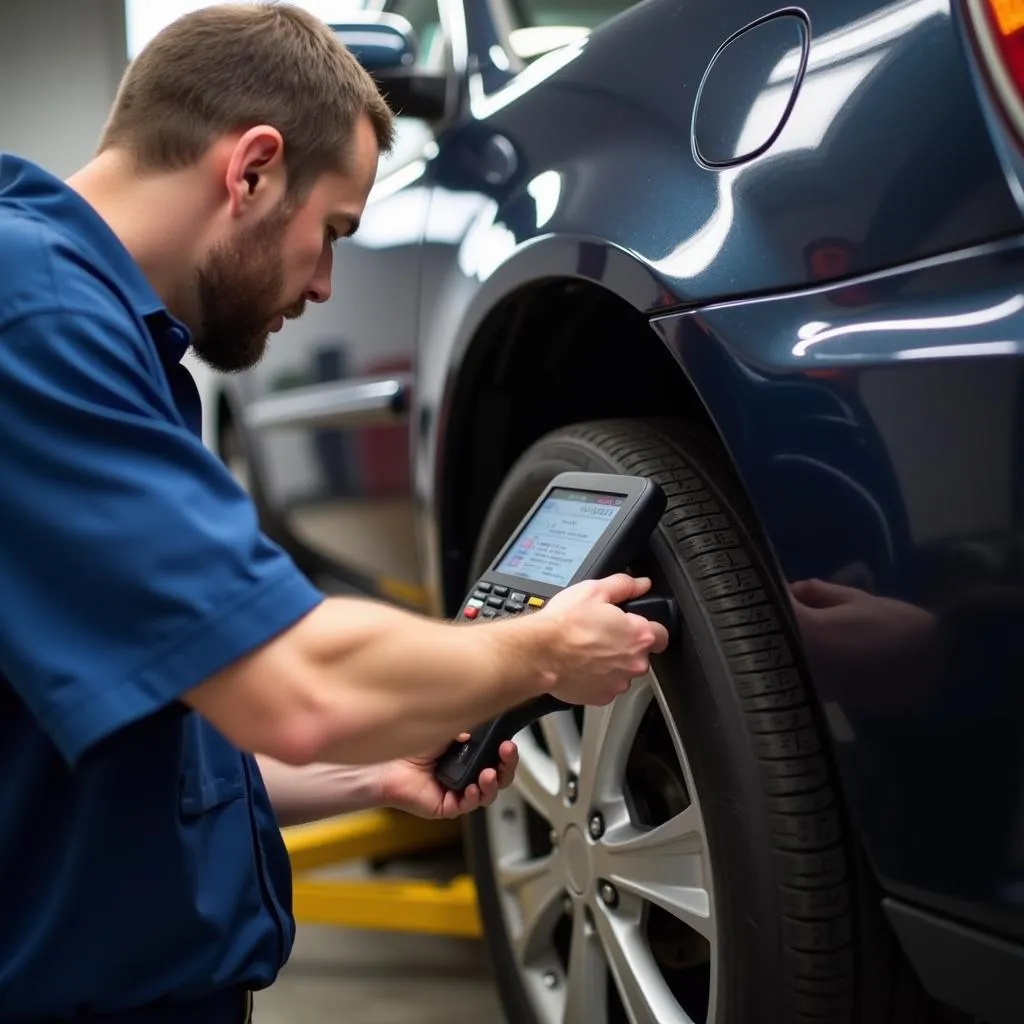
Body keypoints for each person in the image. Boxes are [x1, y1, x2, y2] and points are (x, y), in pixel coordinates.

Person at [0, 4, 668, 1021]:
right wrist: (538, 652)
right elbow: (295, 685)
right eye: (332, 234)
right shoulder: (34, 315)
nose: (321, 285)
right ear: (252, 169)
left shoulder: (83, 323)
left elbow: (130, 751)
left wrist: (369, 777)